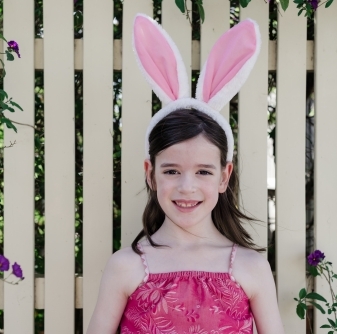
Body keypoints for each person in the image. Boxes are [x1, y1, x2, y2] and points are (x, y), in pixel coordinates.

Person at [87, 13, 285, 334]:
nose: (186, 186)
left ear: (224, 176)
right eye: (172, 170)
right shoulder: (126, 267)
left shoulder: (252, 269)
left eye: (204, 171)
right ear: (150, 174)